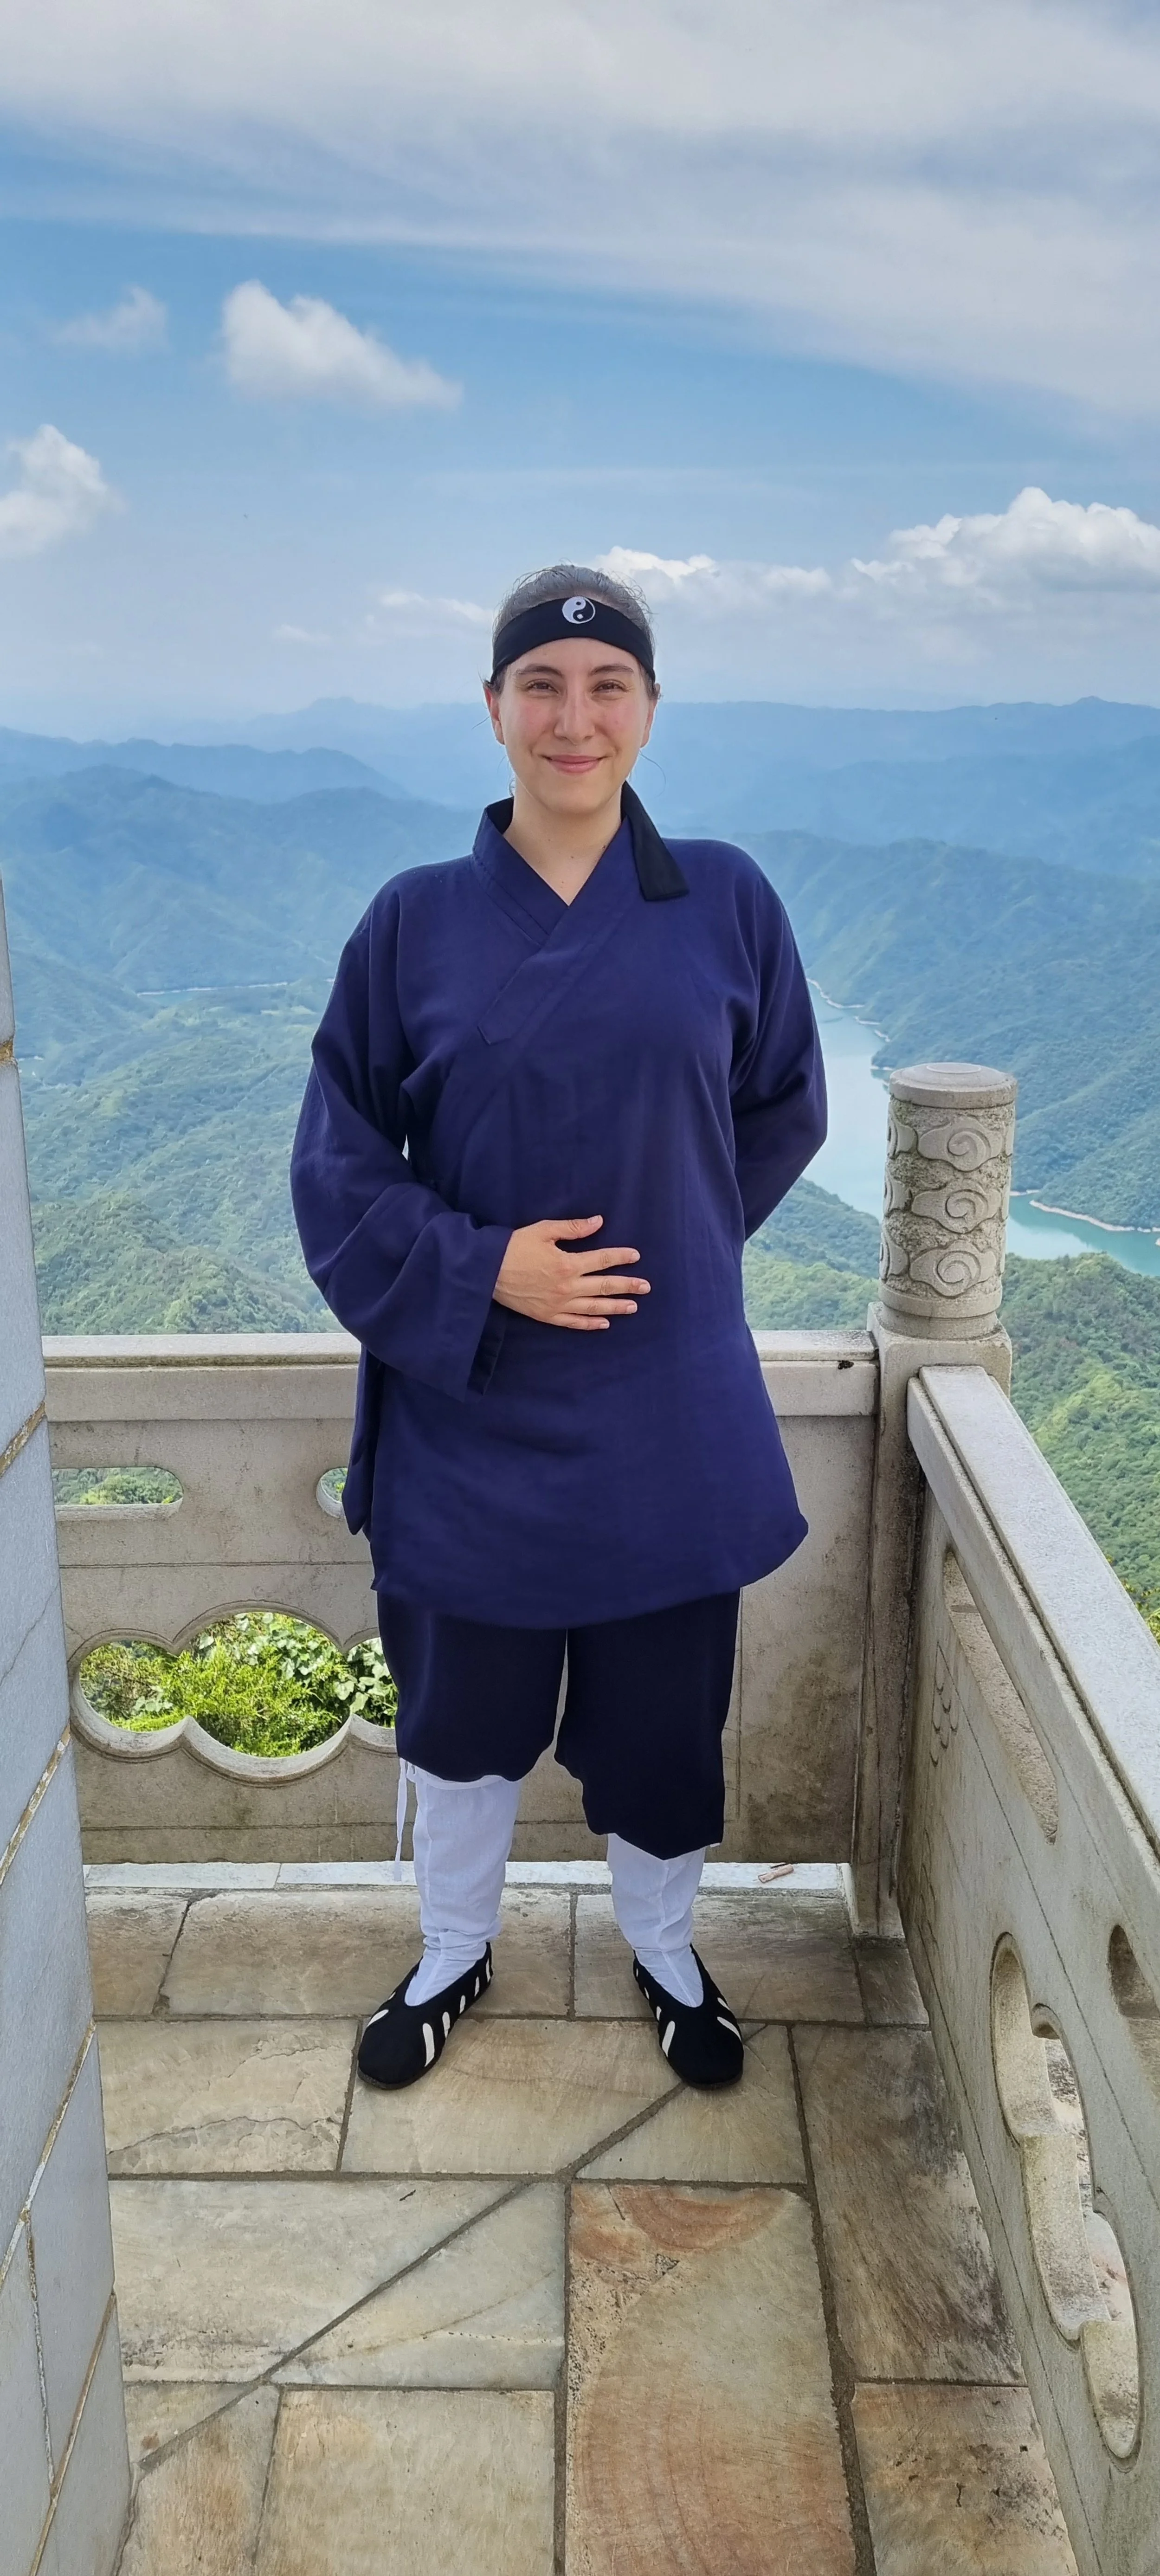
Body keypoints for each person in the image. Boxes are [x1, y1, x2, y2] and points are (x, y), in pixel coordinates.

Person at [291, 563, 826, 2092]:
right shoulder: (412, 923)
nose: (573, 718)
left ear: (648, 711)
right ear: (493, 709)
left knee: (662, 1727)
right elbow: (336, 1161)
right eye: (542, 685)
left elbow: (784, 1101)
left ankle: (667, 1954)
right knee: (461, 1720)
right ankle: (450, 1950)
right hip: (474, 1407)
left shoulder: (725, 899)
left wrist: (679, 1249)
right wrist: (484, 1273)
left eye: (606, 687)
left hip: (666, 1409)